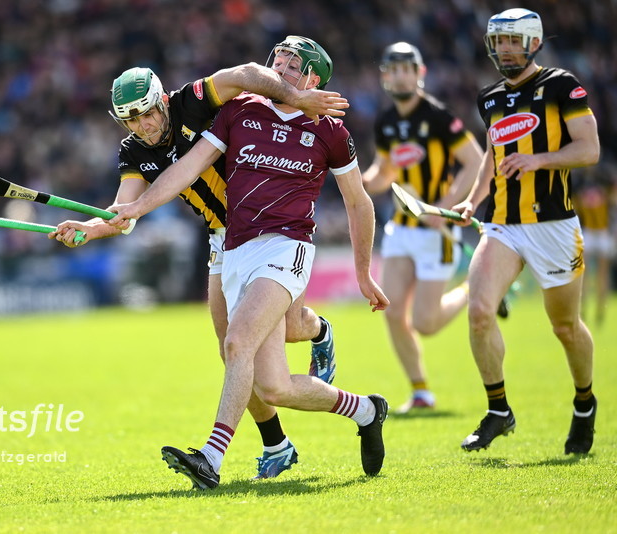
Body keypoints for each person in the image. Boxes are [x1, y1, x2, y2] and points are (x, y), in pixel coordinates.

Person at [108, 35, 390, 490]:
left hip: (287, 244)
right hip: (232, 245)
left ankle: (211, 459)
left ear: (315, 78)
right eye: (276, 60)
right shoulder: (240, 113)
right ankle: (366, 409)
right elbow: (185, 168)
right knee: (271, 385)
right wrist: (119, 217)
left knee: (238, 343)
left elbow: (359, 204)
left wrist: (363, 274)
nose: (279, 68)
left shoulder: (331, 131)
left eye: (292, 66)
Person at [50, 62, 349, 479]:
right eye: (131, 120)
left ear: (162, 102)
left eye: (148, 113)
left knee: (292, 327)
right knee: (233, 349)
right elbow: (124, 213)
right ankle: (276, 444)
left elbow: (246, 72)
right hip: (220, 238)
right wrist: (87, 229)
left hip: (271, 226)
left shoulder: (194, 100)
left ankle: (320, 332)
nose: (144, 125)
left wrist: (296, 96)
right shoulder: (133, 150)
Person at [452, 8, 600, 454]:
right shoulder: (490, 98)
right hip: (503, 224)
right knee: (479, 311)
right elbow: (493, 156)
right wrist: (473, 199)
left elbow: (589, 149)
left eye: (513, 41)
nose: (505, 49)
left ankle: (584, 403)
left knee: (565, 327)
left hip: (553, 226)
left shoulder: (561, 86)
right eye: (499, 42)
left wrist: (538, 161)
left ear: (533, 42)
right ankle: (498, 410)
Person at [361, 42, 484, 414]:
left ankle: (469, 288)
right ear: (385, 75)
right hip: (401, 229)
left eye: (406, 69)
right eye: (392, 69)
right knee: (393, 311)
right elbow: (383, 174)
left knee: (426, 324)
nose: (399, 76)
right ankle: (420, 391)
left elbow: (476, 162)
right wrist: (356, 180)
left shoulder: (439, 117)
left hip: (436, 233)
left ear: (419, 73)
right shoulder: (385, 122)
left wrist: (443, 209)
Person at [572, 166, 614, 327]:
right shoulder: (580, 182)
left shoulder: (604, 179)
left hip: (603, 231)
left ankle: (600, 311)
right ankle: (583, 310)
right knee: (584, 273)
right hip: (588, 232)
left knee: (601, 275)